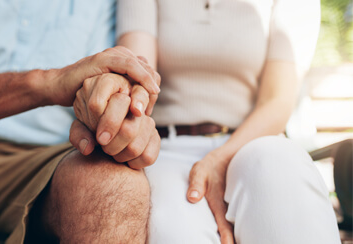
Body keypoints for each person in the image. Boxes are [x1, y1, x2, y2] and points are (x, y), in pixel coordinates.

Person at [0, 1, 161, 243]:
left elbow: (115, 80)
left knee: (114, 189)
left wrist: (117, 106)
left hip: (50, 159)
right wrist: (49, 83)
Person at [111, 0, 342, 243]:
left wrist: (219, 159)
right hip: (166, 151)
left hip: (252, 142)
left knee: (280, 170)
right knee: (174, 232)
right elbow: (138, 76)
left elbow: (277, 100)